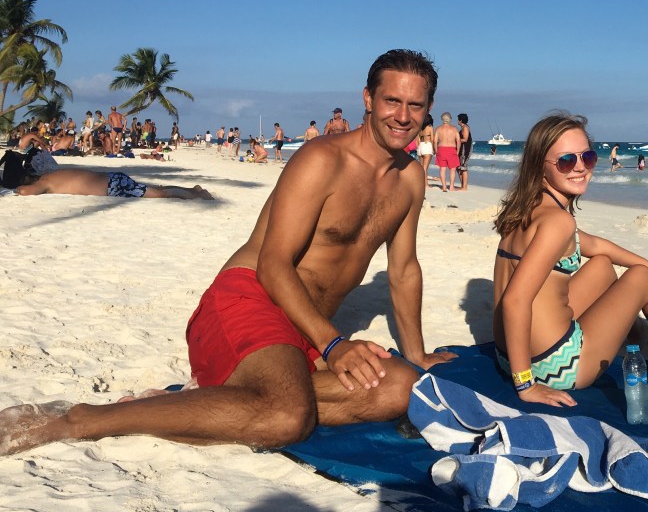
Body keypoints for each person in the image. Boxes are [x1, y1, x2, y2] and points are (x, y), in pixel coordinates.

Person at [0, 49, 455, 456]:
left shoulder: (410, 179)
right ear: (368, 99)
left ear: (428, 108)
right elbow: (273, 264)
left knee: (401, 387)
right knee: (285, 417)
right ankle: (80, 420)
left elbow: (403, 269)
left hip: (306, 326)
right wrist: (334, 345)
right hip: (251, 298)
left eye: (415, 105)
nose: (402, 115)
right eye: (392, 100)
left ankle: (216, 398)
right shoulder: (322, 160)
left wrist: (416, 354)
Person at [493, 112, 648, 407]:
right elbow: (515, 301)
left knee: (602, 265)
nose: (580, 167)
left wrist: (642, 262)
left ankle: (636, 331)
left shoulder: (528, 209)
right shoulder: (558, 222)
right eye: (566, 161)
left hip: (507, 353)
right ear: (539, 166)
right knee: (639, 280)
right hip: (555, 366)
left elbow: (593, 244)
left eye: (587, 157)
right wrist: (525, 385)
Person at [16, 167, 212, 199]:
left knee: (159, 194)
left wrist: (16, 187)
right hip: (111, 178)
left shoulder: (45, 182)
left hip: (112, 186)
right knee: (152, 190)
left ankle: (195, 195)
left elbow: (26, 192)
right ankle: (191, 189)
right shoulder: (53, 173)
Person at [434, 112, 461, 192]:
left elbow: (435, 141)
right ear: (450, 119)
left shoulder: (438, 129)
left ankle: (444, 187)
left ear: (442, 119)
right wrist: (458, 151)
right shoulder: (454, 129)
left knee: (442, 169)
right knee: (452, 169)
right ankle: (451, 187)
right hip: (452, 149)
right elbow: (458, 141)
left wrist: (436, 150)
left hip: (441, 149)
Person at [456, 112, 472, 191]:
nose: (457, 121)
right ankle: (462, 185)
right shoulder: (463, 127)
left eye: (458, 119)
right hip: (462, 149)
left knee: (463, 167)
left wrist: (455, 140)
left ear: (461, 120)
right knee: (459, 167)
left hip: (465, 149)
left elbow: (465, 139)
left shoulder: (465, 127)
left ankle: (464, 187)